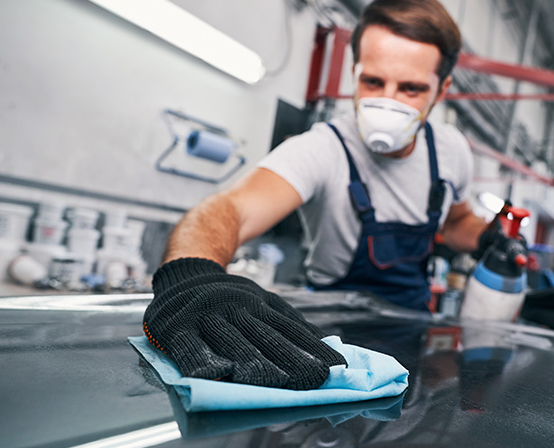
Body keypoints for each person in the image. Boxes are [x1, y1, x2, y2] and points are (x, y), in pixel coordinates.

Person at [143, 0, 494, 391]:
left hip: (414, 333)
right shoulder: (323, 149)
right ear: (354, 72)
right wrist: (193, 273)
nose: (388, 102)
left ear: (442, 89)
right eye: (373, 82)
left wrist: (488, 237)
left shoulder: (451, 151)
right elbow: (231, 208)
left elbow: (457, 221)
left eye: (411, 89)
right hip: (328, 340)